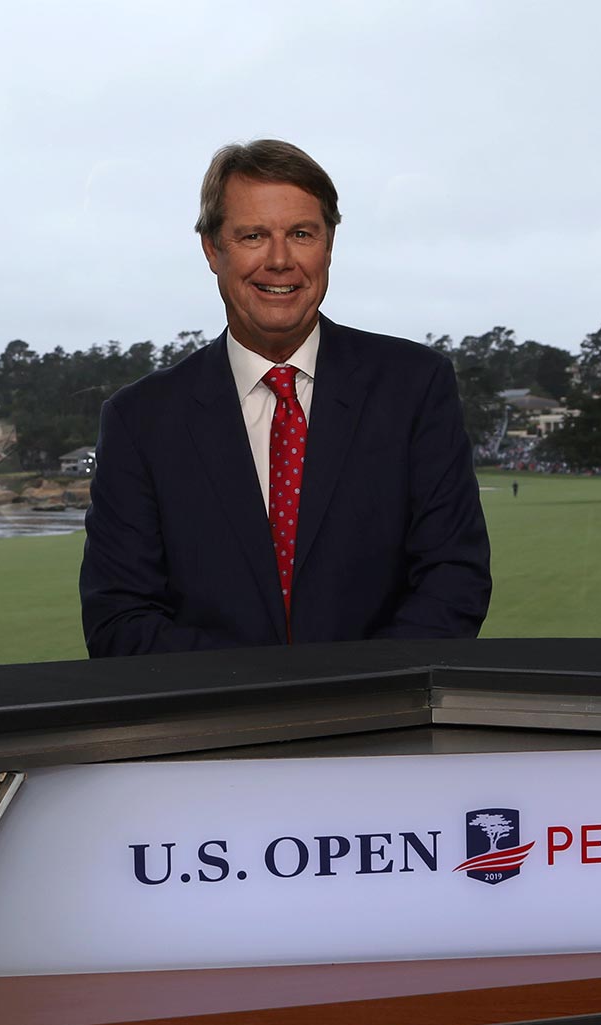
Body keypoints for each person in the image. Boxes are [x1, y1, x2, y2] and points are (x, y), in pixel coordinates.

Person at [79, 140, 491, 655]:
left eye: (301, 234)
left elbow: (453, 580)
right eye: (253, 235)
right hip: (216, 709)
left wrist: (356, 693)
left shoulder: (415, 387)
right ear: (212, 249)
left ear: (329, 245)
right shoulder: (140, 421)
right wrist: (264, 691)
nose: (279, 260)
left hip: (382, 704)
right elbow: (118, 619)